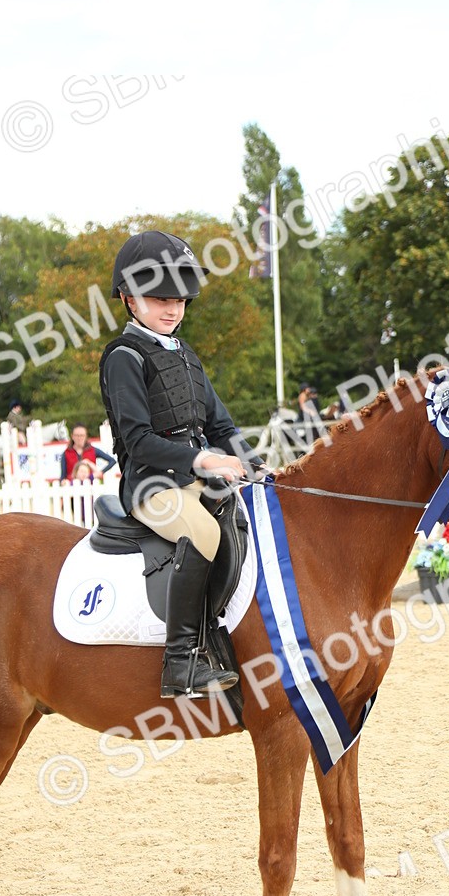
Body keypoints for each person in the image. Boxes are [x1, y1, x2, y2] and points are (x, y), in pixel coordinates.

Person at [99, 230, 268, 699]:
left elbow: (221, 424)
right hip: (150, 486)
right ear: (130, 299)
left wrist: (258, 467)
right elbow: (138, 440)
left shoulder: (185, 354)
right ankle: (181, 661)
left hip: (193, 478)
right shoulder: (123, 357)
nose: (172, 309)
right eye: (160, 300)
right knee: (203, 533)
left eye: (178, 300)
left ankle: (221, 637)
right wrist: (203, 458)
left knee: (244, 521)